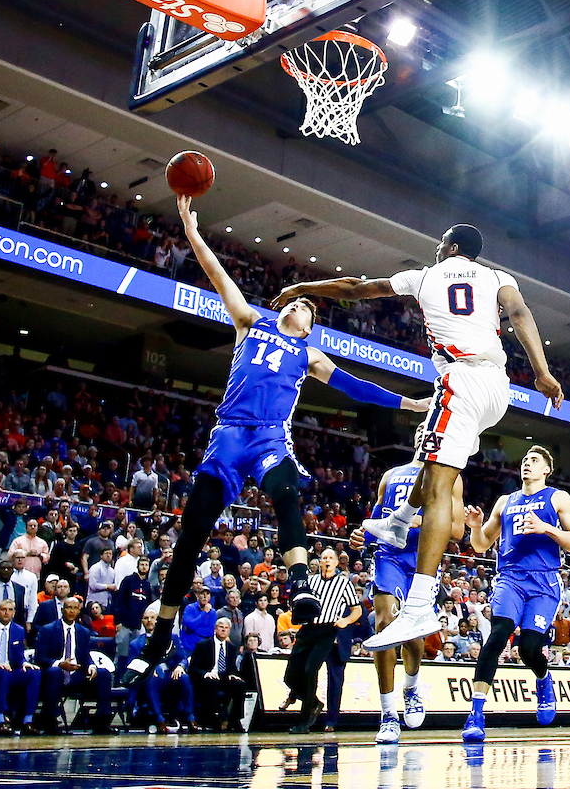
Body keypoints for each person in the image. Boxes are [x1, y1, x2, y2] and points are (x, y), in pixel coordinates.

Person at [124, 195, 429, 687]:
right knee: (190, 538)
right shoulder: (249, 321)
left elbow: (356, 387)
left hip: (269, 439)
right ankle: (161, 636)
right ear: (284, 308)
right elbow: (215, 271)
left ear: (311, 327)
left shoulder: (309, 355)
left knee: (288, 493)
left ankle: (302, 584)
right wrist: (191, 229)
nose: (305, 307)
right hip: (228, 435)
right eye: (300, 302)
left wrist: (408, 405)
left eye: (312, 310)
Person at [274, 224, 565, 653]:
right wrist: (541, 372)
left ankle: (420, 604)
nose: (435, 247)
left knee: (437, 491)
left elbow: (356, 289)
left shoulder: (424, 275)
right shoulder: (499, 277)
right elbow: (520, 315)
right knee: (430, 468)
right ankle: (395, 523)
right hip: (496, 388)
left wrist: (303, 286)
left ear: (450, 247)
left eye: (439, 242)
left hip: (460, 379)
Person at [347, 424, 466, 744]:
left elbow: (456, 531)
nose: (426, 433)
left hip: (422, 559)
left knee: (413, 633)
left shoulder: (450, 477)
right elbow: (377, 519)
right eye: (422, 430)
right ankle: (387, 715)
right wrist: (363, 533)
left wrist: (414, 519)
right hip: (390, 557)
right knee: (384, 624)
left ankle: (411, 688)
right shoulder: (391, 475)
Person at [458, 446, 570, 742]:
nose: (527, 463)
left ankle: (543, 679)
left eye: (534, 460)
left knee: (528, 649)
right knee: (499, 632)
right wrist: (475, 528)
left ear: (546, 470)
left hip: (544, 583)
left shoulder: (557, 498)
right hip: (510, 579)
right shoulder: (505, 501)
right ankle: (476, 714)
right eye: (525, 459)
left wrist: (546, 529)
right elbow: (480, 545)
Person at [284, 548, 362, 734]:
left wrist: (346, 620)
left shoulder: (344, 584)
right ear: (319, 562)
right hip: (307, 629)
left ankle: (304, 722)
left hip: (327, 630)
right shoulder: (310, 580)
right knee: (290, 676)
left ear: (336, 563)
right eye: (324, 558)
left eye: (330, 558)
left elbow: (356, 609)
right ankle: (315, 703)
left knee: (311, 671)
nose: (327, 561)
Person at [35, 597, 116, 734]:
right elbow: (40, 658)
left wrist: (91, 666)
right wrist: (59, 664)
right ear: (62, 610)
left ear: (79, 611)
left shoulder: (83, 632)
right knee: (55, 672)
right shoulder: (47, 630)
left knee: (103, 674)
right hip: (55, 674)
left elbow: (85, 656)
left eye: (74, 608)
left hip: (76, 674)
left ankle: (102, 722)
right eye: (68, 608)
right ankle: (49, 721)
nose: (71, 611)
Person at [0, 599, 41, 736]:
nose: (6, 613)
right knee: (3, 671)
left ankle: (28, 721)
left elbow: (18, 655)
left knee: (34, 673)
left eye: (10, 610)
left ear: (14, 613)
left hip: (10, 671)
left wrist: (24, 662)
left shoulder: (18, 630)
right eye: (3, 609)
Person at [127, 610, 194, 734]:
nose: (149, 620)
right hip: (151, 677)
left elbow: (183, 658)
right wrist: (146, 670)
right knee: (150, 680)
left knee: (184, 678)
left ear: (157, 620)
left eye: (152, 617)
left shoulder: (172, 638)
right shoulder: (135, 644)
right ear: (142, 621)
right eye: (146, 618)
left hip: (170, 674)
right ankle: (160, 719)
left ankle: (190, 717)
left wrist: (180, 666)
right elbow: (132, 667)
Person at [189, 618, 246, 731]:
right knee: (212, 683)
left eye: (226, 628)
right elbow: (193, 668)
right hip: (207, 678)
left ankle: (235, 719)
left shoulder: (231, 647)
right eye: (221, 627)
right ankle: (210, 720)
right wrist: (206, 673)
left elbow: (232, 668)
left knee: (240, 684)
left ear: (229, 631)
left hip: (224, 678)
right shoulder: (203, 645)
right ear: (215, 629)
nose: (223, 630)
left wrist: (233, 674)